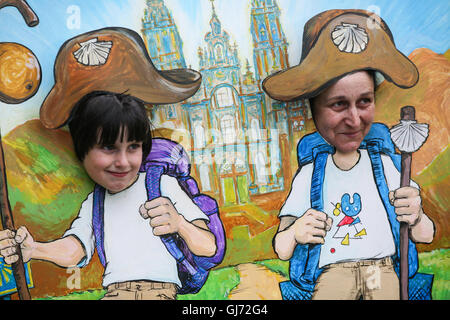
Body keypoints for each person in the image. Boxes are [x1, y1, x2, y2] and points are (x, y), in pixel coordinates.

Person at [263, 9, 435, 300]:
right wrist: (296, 232)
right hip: (334, 274)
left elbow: (425, 235)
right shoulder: (311, 173)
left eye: (364, 101)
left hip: (381, 272)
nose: (354, 121)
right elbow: (282, 247)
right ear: (313, 109)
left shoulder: (385, 165)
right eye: (338, 105)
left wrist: (416, 216)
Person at [0, 91, 217, 300]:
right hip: (116, 293)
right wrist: (34, 249)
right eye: (108, 147)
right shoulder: (95, 202)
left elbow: (208, 247)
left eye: (133, 147)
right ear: (83, 152)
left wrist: (180, 224)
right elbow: (74, 251)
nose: (122, 161)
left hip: (159, 292)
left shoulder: (162, 185)